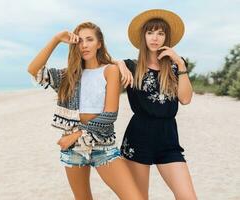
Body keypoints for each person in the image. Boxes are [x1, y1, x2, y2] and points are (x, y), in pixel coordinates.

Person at [28, 22, 144, 200]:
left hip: (103, 145)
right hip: (73, 150)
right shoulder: (69, 75)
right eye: (80, 41)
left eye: (89, 40)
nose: (84, 45)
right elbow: (34, 70)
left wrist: (76, 134)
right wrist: (57, 39)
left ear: (99, 43)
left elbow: (110, 114)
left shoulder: (110, 70)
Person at [117, 9, 197, 200]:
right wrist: (119, 63)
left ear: (166, 37)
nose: (155, 38)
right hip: (138, 137)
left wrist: (181, 65)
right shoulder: (131, 66)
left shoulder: (176, 66)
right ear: (143, 36)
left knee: (188, 197)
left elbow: (185, 99)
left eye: (160, 33)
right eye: (150, 32)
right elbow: (101, 60)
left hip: (168, 138)